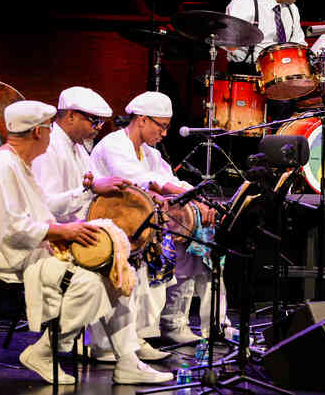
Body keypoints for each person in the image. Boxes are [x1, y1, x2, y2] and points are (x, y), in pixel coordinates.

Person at [0, 100, 172, 384]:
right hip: (10, 257)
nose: (52, 135)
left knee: (117, 270)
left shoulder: (19, 164)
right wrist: (63, 233)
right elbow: (11, 232)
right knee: (92, 283)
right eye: (48, 130)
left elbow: (39, 212)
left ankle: (127, 360)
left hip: (36, 249)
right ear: (38, 132)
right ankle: (45, 350)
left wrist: (76, 218)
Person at [30, 86, 173, 362]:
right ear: (70, 115)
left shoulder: (79, 150)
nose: (98, 128)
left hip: (76, 231)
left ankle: (124, 348)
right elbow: (44, 207)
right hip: (51, 238)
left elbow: (91, 192)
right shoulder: (48, 149)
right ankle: (116, 349)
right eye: (93, 121)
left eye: (100, 122)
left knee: (131, 253)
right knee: (119, 263)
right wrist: (92, 189)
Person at [90, 91, 228, 346]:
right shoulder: (114, 145)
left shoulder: (149, 153)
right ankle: (140, 333)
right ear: (142, 120)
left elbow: (171, 180)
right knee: (176, 235)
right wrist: (191, 195)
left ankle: (179, 321)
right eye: (161, 126)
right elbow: (144, 182)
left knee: (199, 239)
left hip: (141, 222)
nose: (164, 134)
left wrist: (198, 200)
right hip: (114, 222)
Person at [225, 0, 306, 75]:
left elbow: (298, 44)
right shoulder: (246, 1)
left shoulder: (292, 9)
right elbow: (228, 42)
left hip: (281, 72)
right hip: (246, 73)